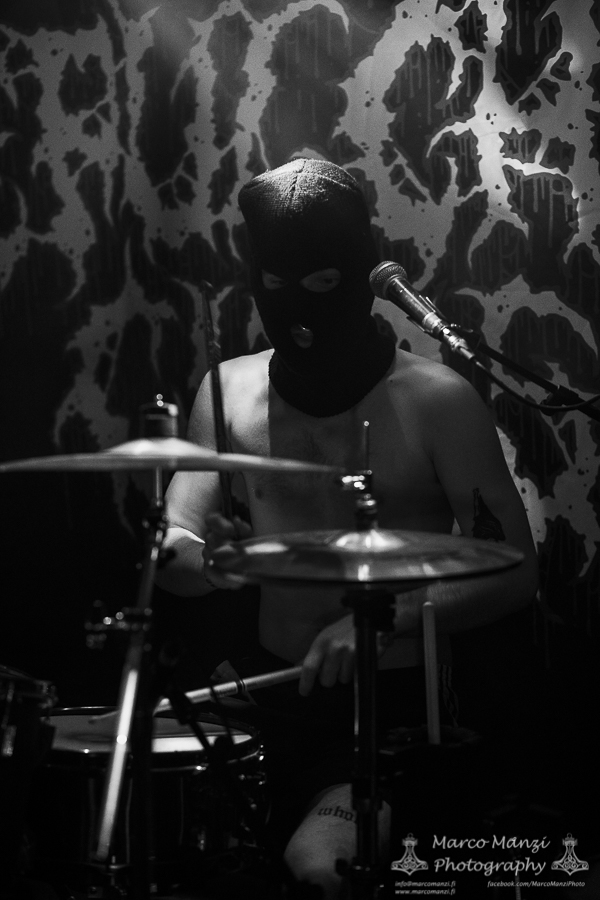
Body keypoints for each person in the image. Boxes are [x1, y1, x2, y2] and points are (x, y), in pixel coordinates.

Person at [155, 158, 538, 898]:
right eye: (275, 284)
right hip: (264, 698)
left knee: (318, 866)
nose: (298, 308)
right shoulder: (227, 391)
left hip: (391, 713)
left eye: (324, 283)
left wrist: (382, 620)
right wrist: (208, 563)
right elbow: (175, 548)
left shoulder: (436, 400)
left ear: (360, 275)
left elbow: (515, 571)